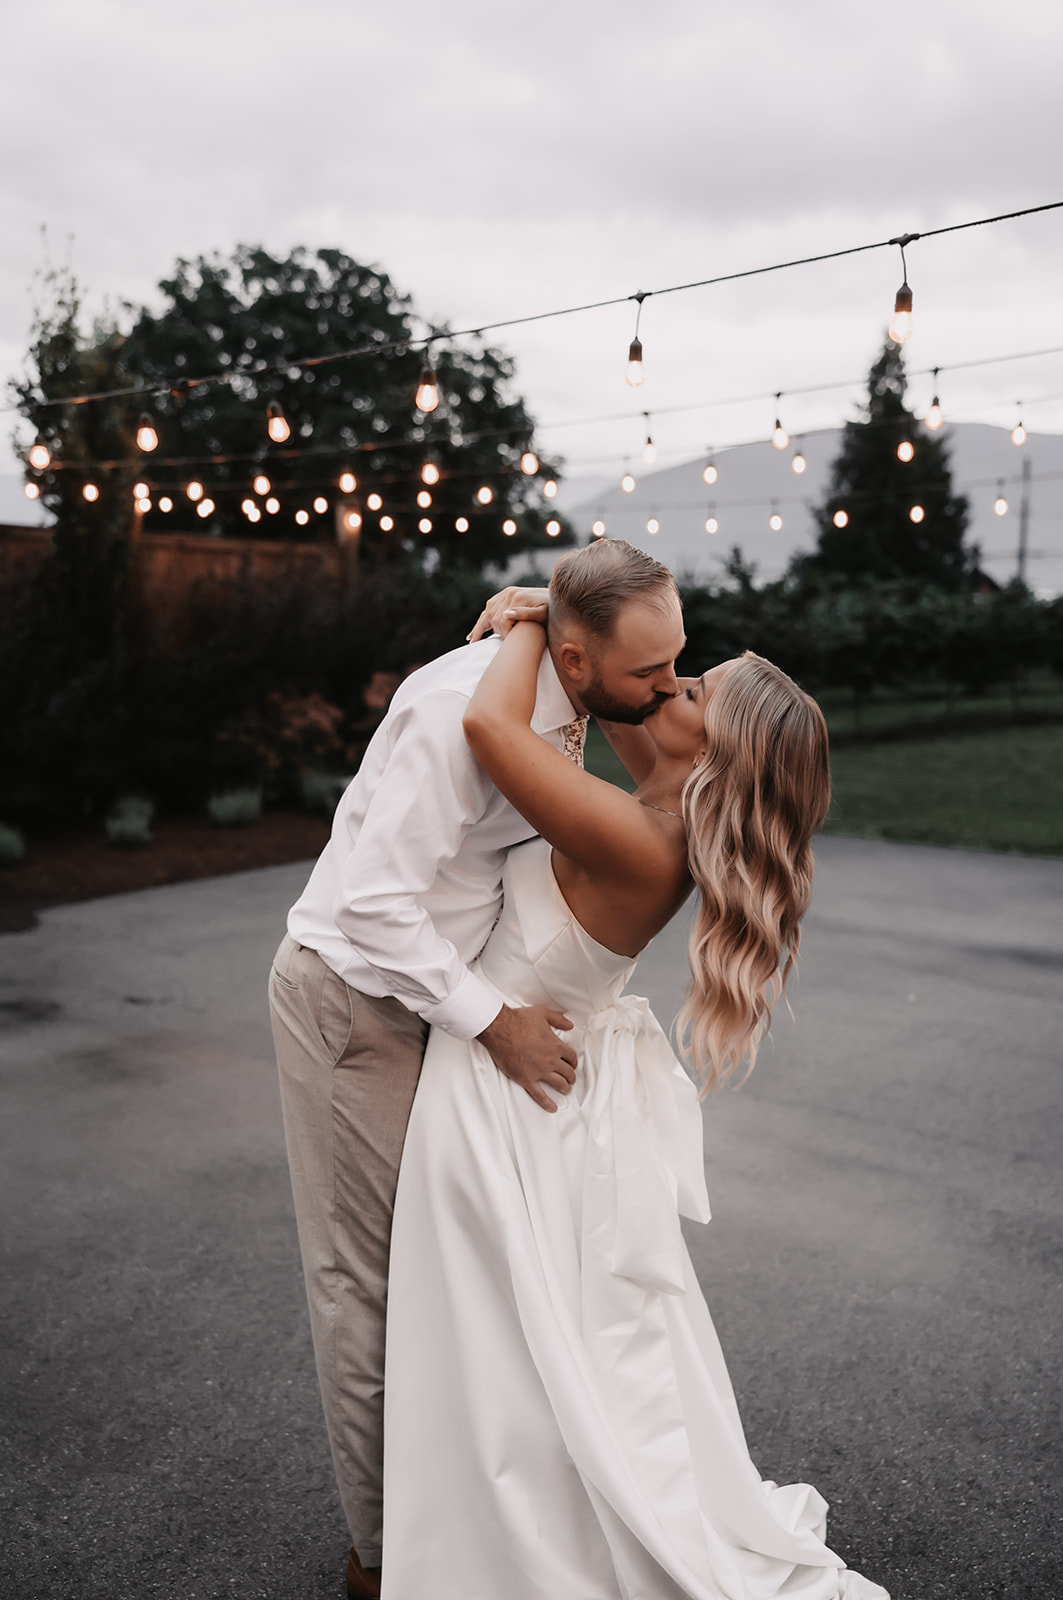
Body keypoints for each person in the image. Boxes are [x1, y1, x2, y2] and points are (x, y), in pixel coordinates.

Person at [378, 590, 890, 1597]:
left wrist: (529, 624)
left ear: (713, 744)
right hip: (541, 1085)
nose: (667, 683)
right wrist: (579, 633)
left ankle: (505, 1545)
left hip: (504, 1093)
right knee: (546, 1344)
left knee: (506, 1345)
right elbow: (617, 717)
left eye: (691, 685)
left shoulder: (639, 837)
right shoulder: (657, 809)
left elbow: (487, 724)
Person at [268, 540, 687, 1599]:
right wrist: (491, 1018)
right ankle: (380, 1557)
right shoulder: (456, 707)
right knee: (365, 1290)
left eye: (675, 660)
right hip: (355, 1002)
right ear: (580, 662)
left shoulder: (570, 683)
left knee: (442, 1281)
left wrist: (537, 615)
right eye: (651, 672)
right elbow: (370, 903)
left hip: (438, 1011)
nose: (671, 683)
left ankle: (453, 1513)